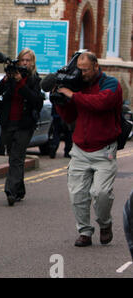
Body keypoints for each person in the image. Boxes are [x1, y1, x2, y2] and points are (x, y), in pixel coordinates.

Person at [55, 52, 123, 247]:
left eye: (85, 70)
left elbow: (101, 103)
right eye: (79, 70)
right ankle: (84, 231)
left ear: (95, 66)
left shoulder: (110, 84)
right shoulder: (78, 86)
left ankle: (105, 223)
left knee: (101, 193)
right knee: (77, 194)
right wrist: (60, 99)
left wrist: (72, 95)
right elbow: (68, 117)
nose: (82, 73)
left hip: (104, 150)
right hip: (80, 149)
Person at [0, 48, 44, 206]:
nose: (25, 63)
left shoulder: (34, 79)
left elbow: (36, 100)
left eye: (28, 60)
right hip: (8, 122)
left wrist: (21, 82)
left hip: (25, 124)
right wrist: (6, 79)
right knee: (13, 156)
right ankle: (19, 189)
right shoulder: (10, 76)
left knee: (16, 156)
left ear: (32, 63)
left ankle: (11, 191)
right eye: (23, 60)